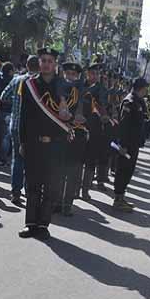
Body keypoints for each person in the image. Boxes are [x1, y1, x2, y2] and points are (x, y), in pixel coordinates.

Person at [18, 47, 71, 240]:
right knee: (32, 185)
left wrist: (70, 116)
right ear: (39, 63)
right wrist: (22, 141)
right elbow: (23, 117)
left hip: (56, 145)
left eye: (50, 60)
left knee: (51, 187)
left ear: (55, 64)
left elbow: (71, 117)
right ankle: (30, 223)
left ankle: (43, 225)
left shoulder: (65, 86)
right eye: (43, 60)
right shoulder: (29, 84)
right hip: (34, 143)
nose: (47, 63)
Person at [1, 55, 39, 206]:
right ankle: (30, 192)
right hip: (34, 129)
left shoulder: (17, 79)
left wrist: (16, 104)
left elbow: (4, 96)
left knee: (17, 159)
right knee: (33, 161)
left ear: (27, 65)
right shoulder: (39, 83)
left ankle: (16, 192)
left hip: (16, 125)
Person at [113, 78, 149, 212]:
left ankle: (121, 197)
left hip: (133, 144)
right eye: (145, 88)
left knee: (129, 171)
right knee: (123, 170)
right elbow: (124, 125)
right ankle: (117, 199)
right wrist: (122, 144)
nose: (146, 91)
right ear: (140, 88)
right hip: (126, 144)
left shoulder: (138, 101)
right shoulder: (130, 101)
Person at [59, 62, 87, 216]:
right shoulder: (56, 89)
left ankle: (67, 204)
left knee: (72, 172)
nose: (70, 77)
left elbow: (89, 114)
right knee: (57, 170)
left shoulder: (81, 91)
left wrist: (83, 118)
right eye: (67, 74)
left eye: (73, 75)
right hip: (59, 133)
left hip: (77, 135)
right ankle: (56, 202)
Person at [81, 63, 109, 200]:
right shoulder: (80, 85)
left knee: (90, 160)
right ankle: (75, 189)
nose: (95, 76)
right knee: (76, 160)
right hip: (79, 126)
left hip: (94, 128)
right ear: (87, 73)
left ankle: (85, 190)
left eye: (97, 74)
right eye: (93, 73)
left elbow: (103, 105)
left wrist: (104, 115)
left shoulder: (101, 89)